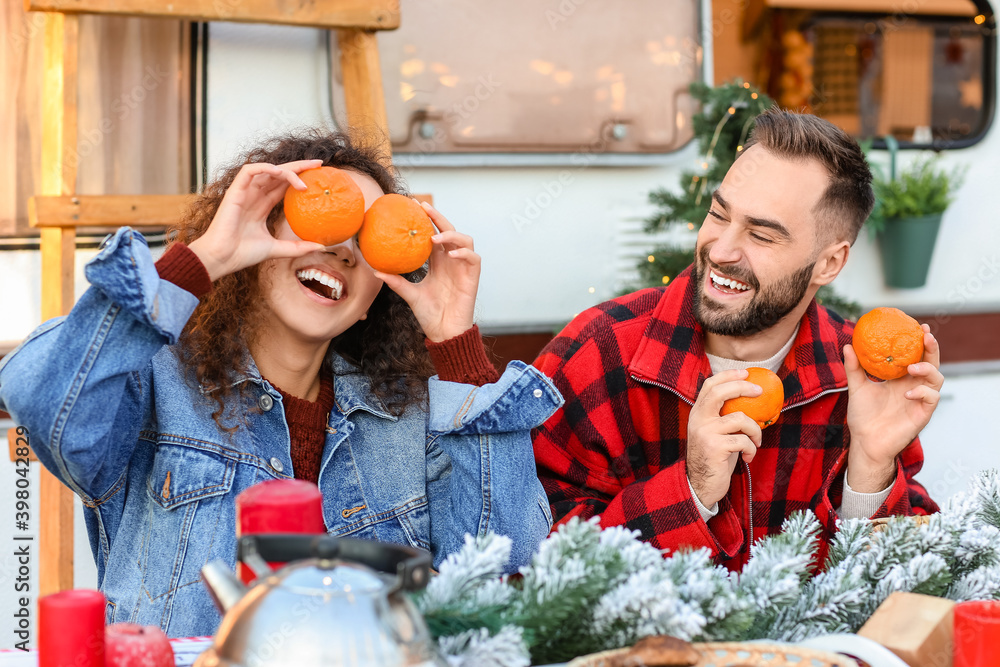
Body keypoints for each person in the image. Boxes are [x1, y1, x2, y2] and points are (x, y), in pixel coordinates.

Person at [0, 131, 561, 636]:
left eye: (368, 240)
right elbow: (43, 397)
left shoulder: (407, 419)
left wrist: (455, 344)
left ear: (373, 301)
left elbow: (510, 569)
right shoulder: (153, 385)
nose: (343, 249)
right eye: (326, 217)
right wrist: (205, 260)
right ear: (262, 233)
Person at [532, 109, 940, 570]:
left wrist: (870, 469)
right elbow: (532, 561)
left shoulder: (862, 379)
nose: (721, 250)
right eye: (718, 214)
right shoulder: (598, 350)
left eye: (762, 235)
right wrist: (692, 490)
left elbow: (907, 588)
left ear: (828, 264)